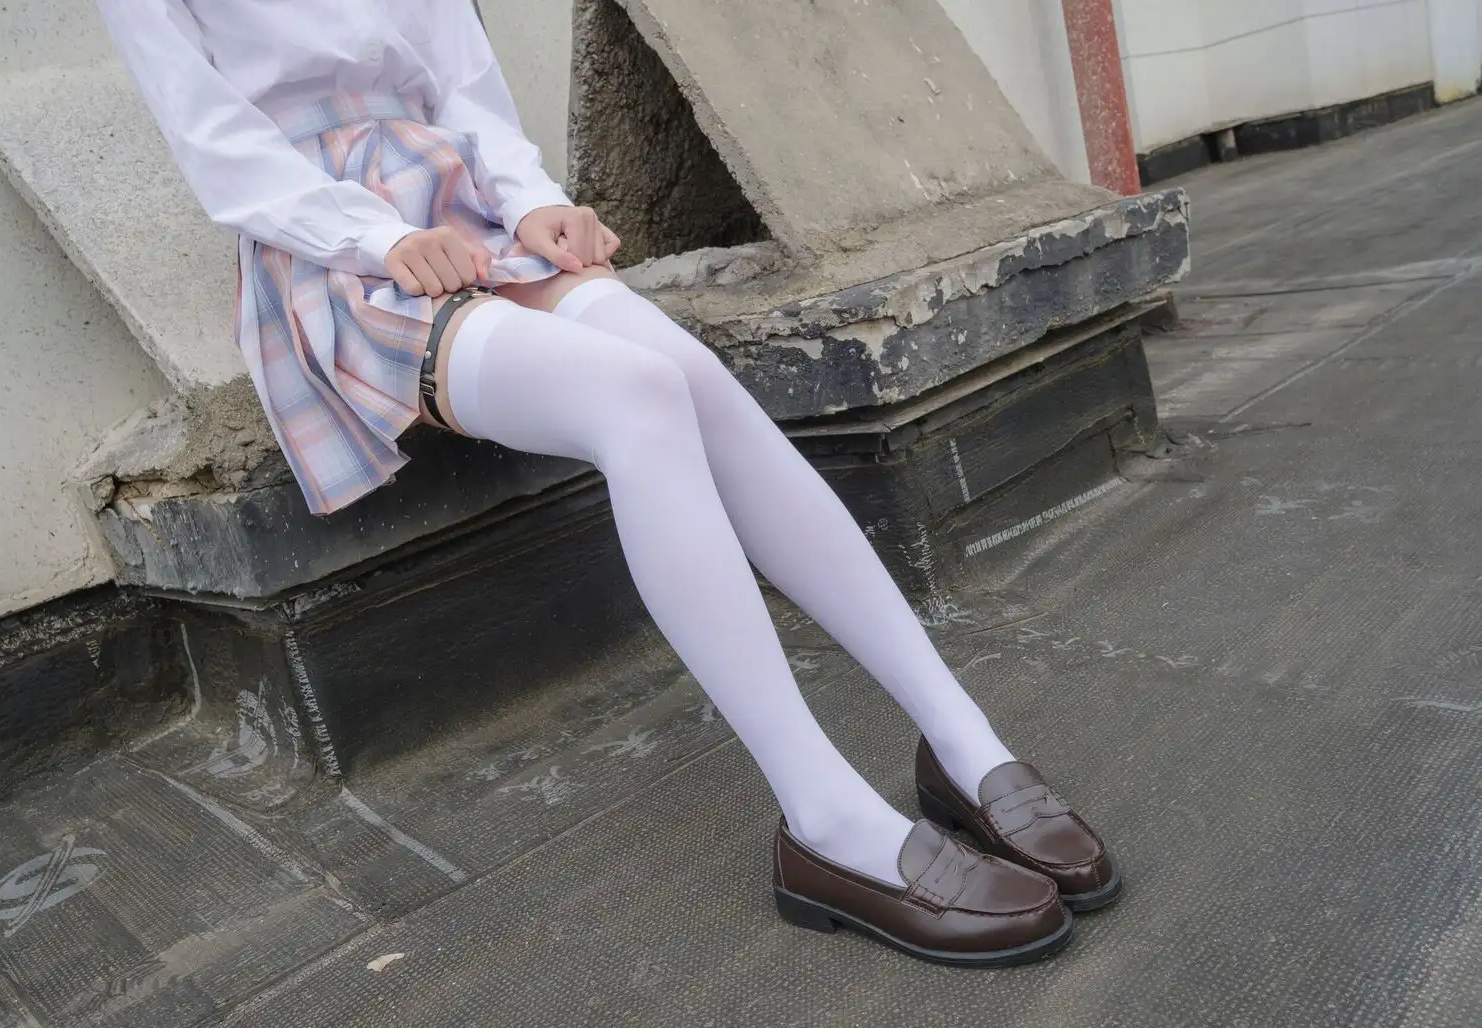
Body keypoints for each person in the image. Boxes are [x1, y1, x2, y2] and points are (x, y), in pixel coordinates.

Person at [96, 0, 1119, 966]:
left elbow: (460, 83)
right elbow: (212, 139)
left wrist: (535, 202)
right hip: (335, 251)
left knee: (693, 376)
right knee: (635, 394)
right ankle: (827, 819)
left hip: (459, 199)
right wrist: (377, 237)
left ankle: (961, 742)